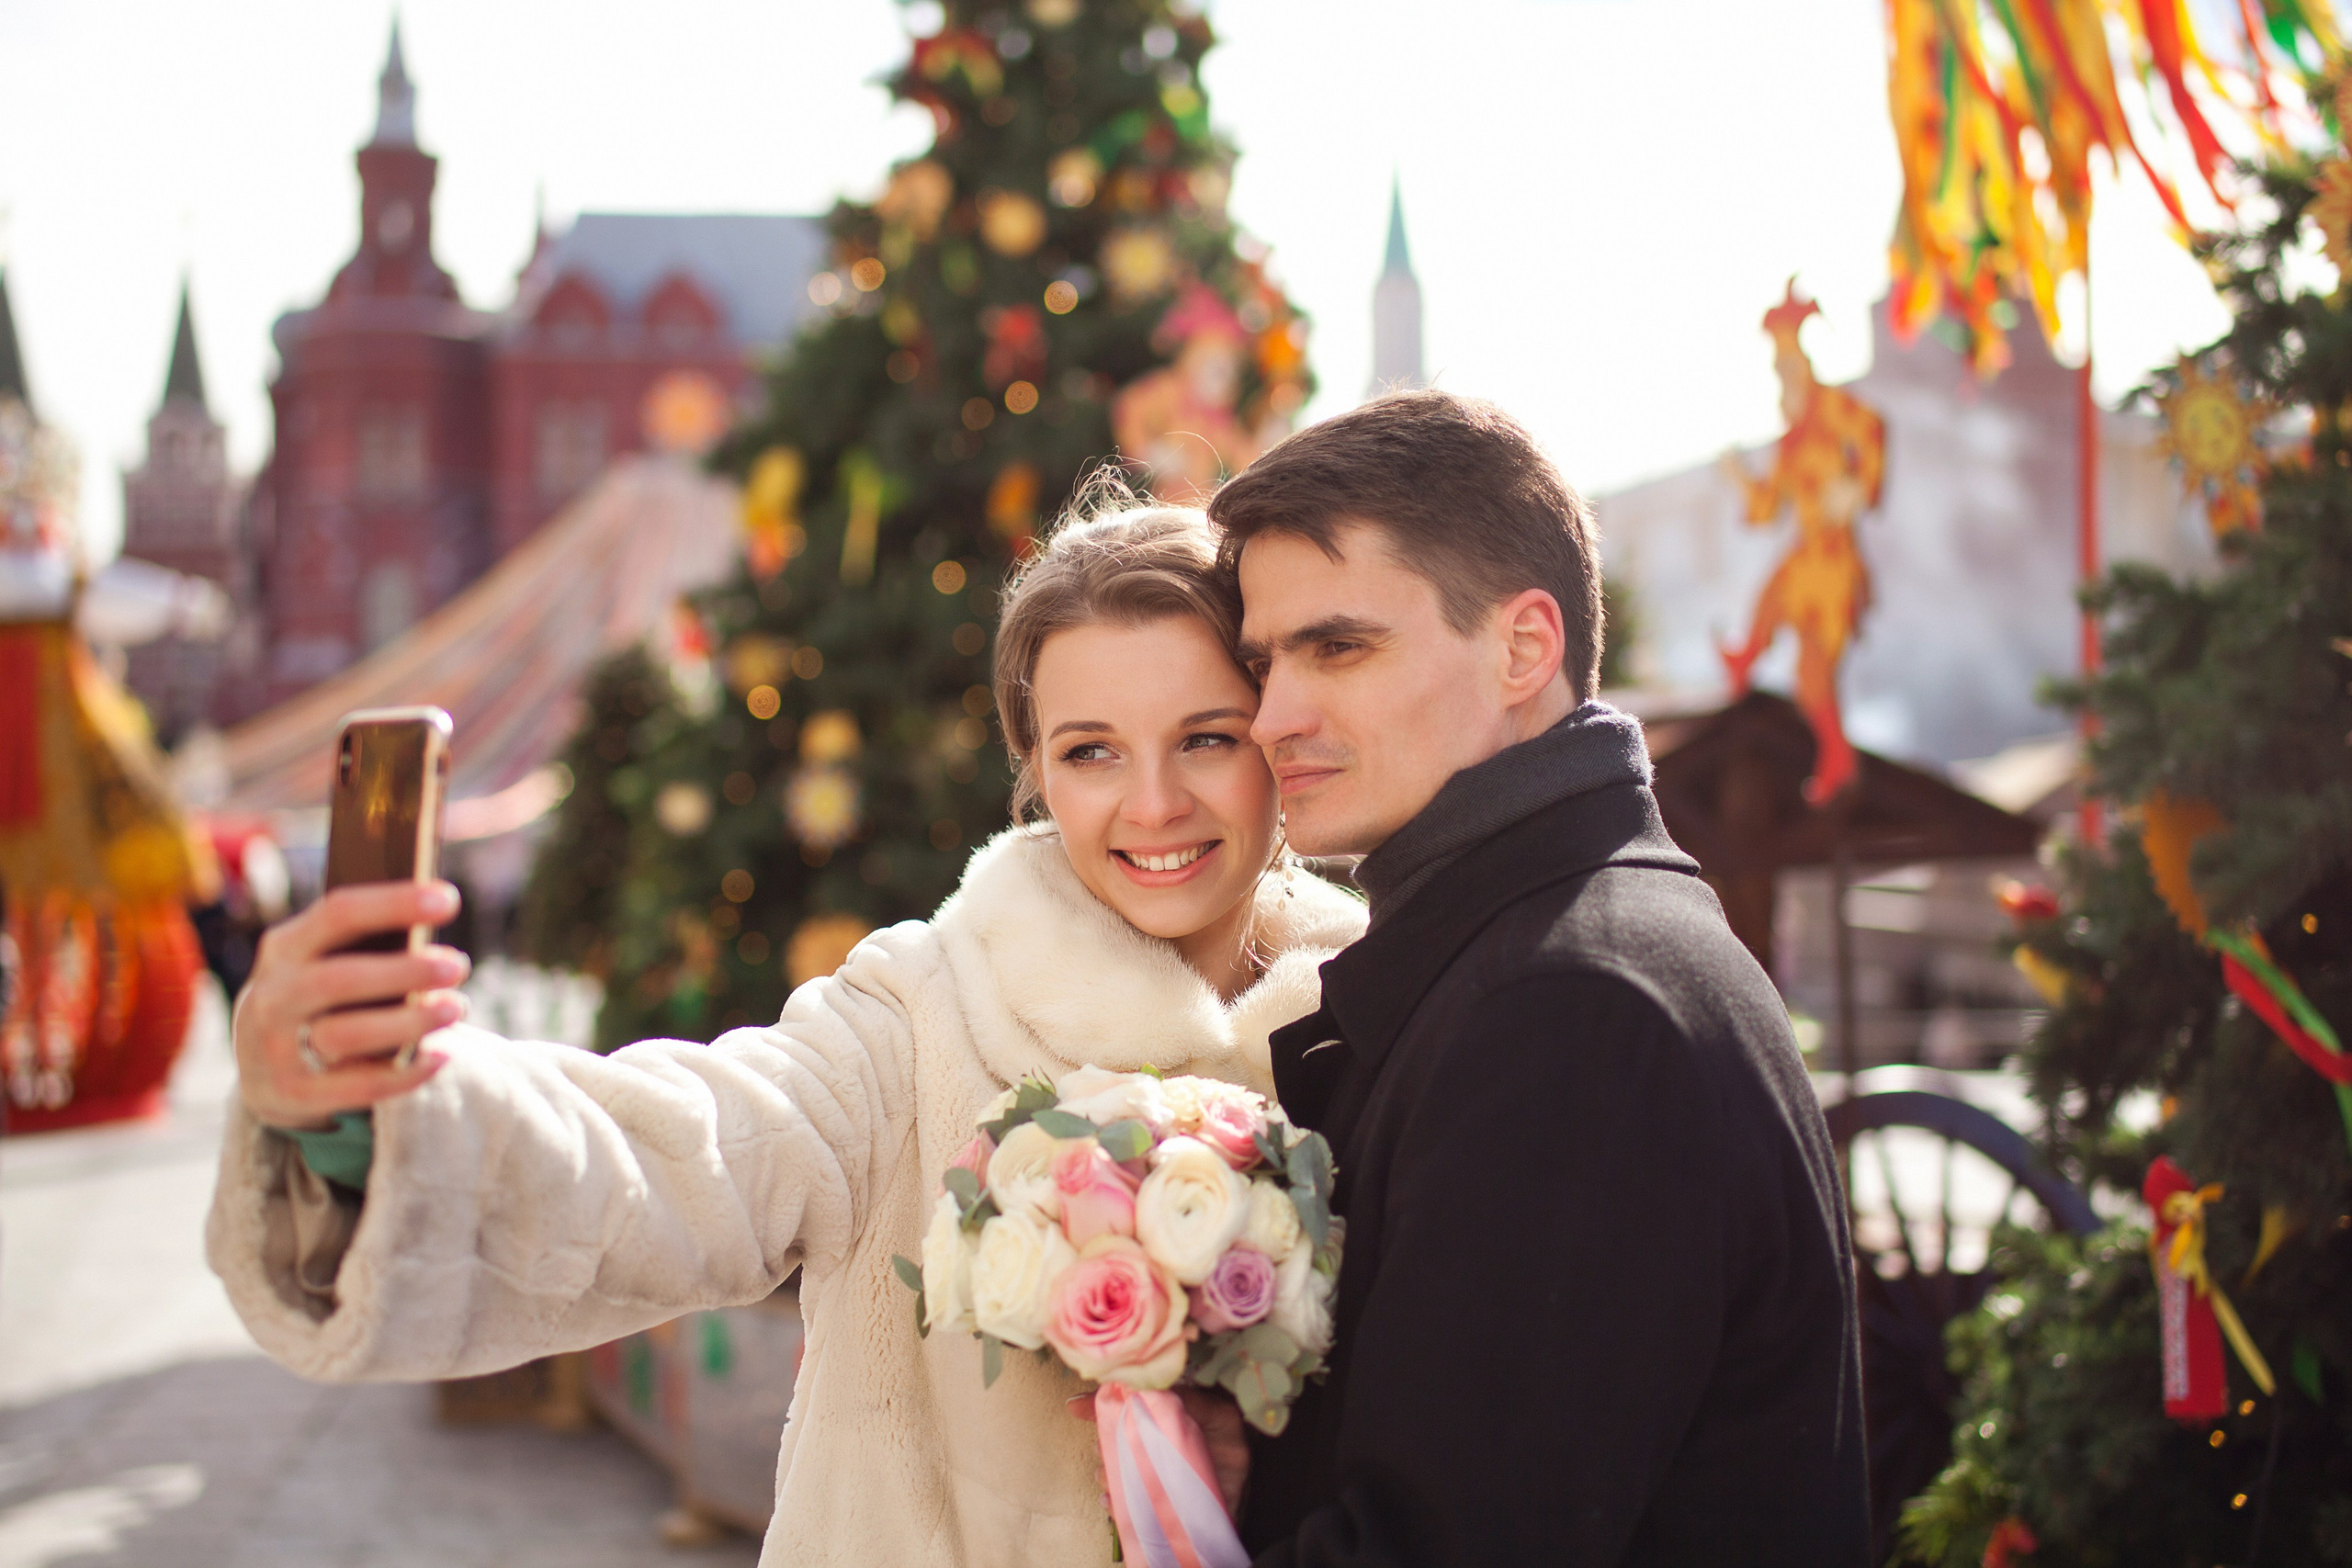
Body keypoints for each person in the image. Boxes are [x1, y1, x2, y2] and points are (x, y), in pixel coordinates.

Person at [206, 501, 1365, 1568]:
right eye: (1091, 750)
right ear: (1034, 773)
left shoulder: (1375, 1016)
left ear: (1275, 736)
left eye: (1206, 736)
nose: (1152, 802)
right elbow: (686, 1151)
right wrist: (367, 1112)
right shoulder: (914, 1013)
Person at [1211, 390, 1869, 1566]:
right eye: (1265, 661)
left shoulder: (1573, 1008)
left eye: (1338, 646)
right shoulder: (1553, 951)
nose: (1273, 715)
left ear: (1523, 647)